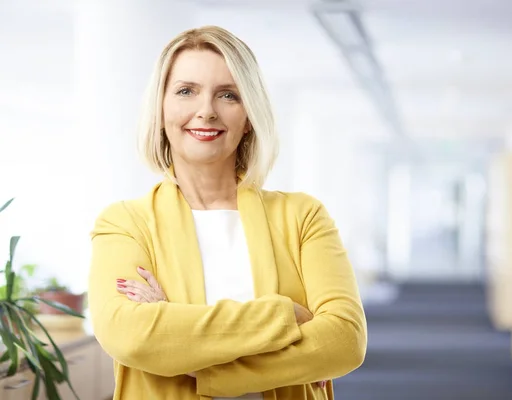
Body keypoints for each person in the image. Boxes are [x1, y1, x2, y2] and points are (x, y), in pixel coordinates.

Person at [87, 25, 367, 400]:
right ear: (161, 107)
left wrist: (181, 344)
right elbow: (132, 336)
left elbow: (345, 341)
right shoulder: (125, 223)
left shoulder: (303, 216)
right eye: (186, 91)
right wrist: (287, 316)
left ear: (249, 114)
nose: (206, 111)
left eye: (228, 95)